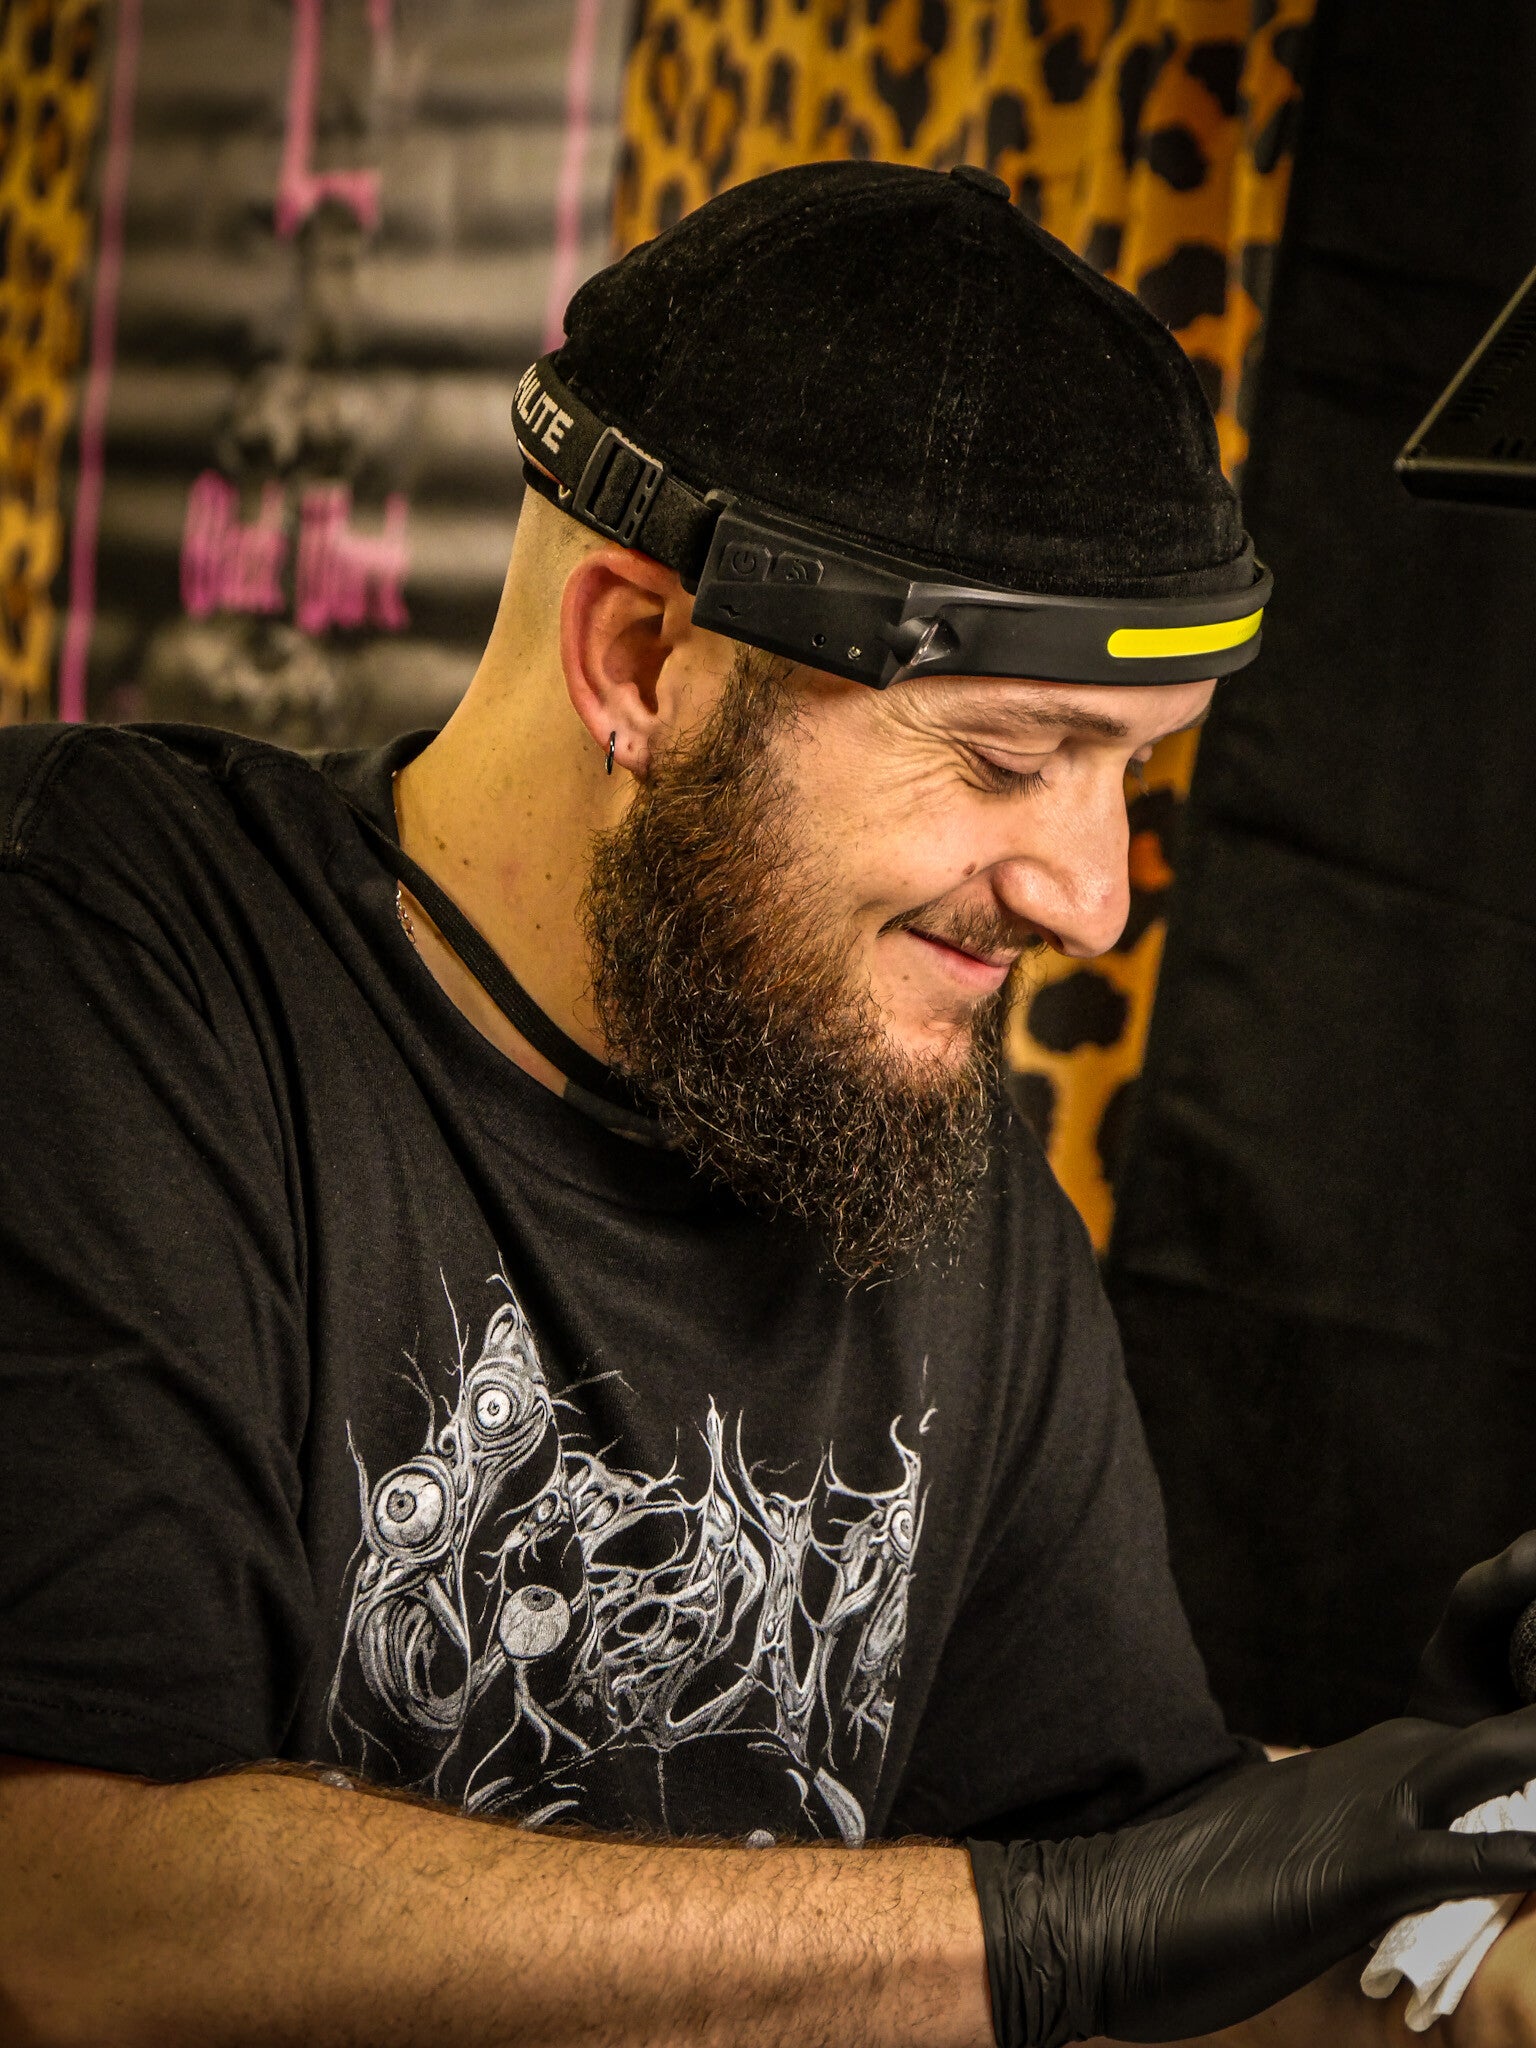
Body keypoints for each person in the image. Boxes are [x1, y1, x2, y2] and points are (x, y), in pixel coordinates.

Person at [4, 159, 1536, 2048]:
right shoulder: (106, 959)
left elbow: (1130, 1906)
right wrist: (1055, 1927)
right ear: (640, 660)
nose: (1092, 896)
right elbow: (70, 1921)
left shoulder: (913, 1148)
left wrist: (1437, 1872)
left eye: (1131, 772)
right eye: (1008, 757)